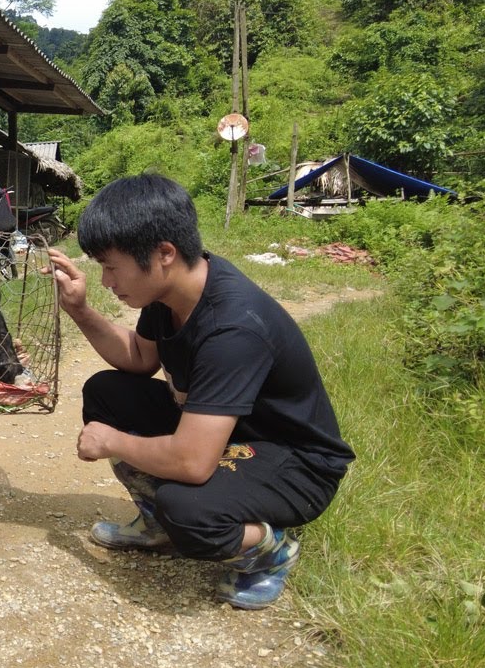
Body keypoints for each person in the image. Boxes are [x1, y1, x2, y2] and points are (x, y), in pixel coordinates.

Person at [45, 174, 353, 610]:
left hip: (295, 461)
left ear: (164, 253)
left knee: (189, 508)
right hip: (226, 432)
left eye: (112, 266)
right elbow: (138, 356)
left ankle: (272, 549)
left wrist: (111, 442)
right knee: (107, 392)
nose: (107, 280)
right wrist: (79, 309)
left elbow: (191, 462)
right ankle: (157, 527)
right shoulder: (171, 292)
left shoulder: (233, 327)